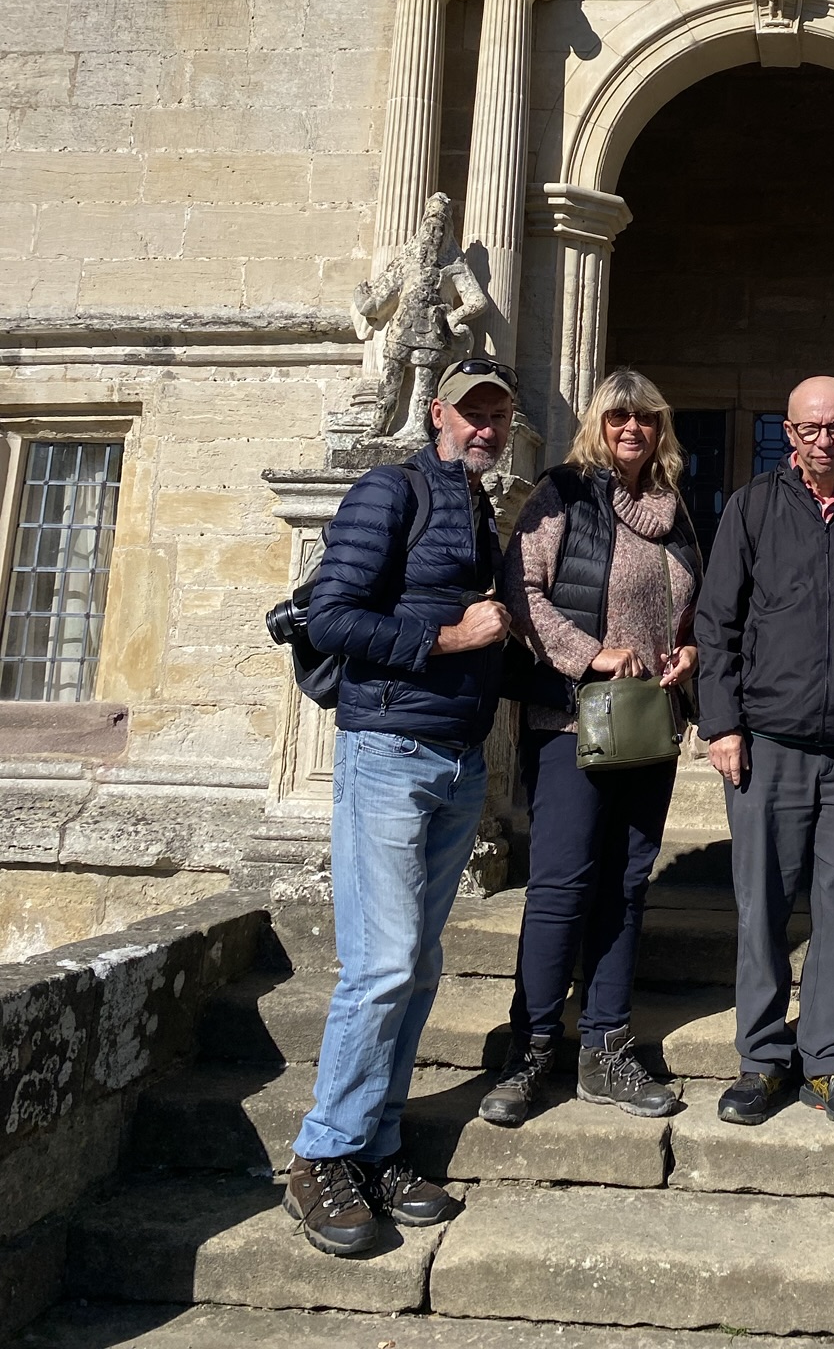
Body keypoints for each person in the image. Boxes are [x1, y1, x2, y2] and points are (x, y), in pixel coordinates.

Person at [286, 357, 517, 1256]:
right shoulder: (391, 490)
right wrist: (452, 634)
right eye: (472, 412)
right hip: (387, 750)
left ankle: (376, 1143)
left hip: (455, 760)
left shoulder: (482, 507)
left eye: (498, 413)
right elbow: (331, 616)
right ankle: (321, 1155)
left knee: (416, 968)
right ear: (438, 414)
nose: (486, 427)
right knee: (380, 966)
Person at [480, 368, 701, 1127]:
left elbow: (687, 607)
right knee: (562, 889)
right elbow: (522, 592)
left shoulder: (675, 510)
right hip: (571, 724)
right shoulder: (563, 494)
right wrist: (592, 653)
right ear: (598, 427)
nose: (631, 429)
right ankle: (532, 1048)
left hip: (650, 724)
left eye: (644, 417)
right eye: (617, 418)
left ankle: (607, 1048)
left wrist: (688, 650)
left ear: (659, 427)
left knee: (628, 886)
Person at [696, 376, 834, 1127]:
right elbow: (718, 624)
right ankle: (762, 1059)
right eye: (811, 429)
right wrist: (723, 725)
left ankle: (831, 1064)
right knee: (763, 907)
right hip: (766, 743)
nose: (824, 441)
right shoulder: (752, 507)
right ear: (789, 433)